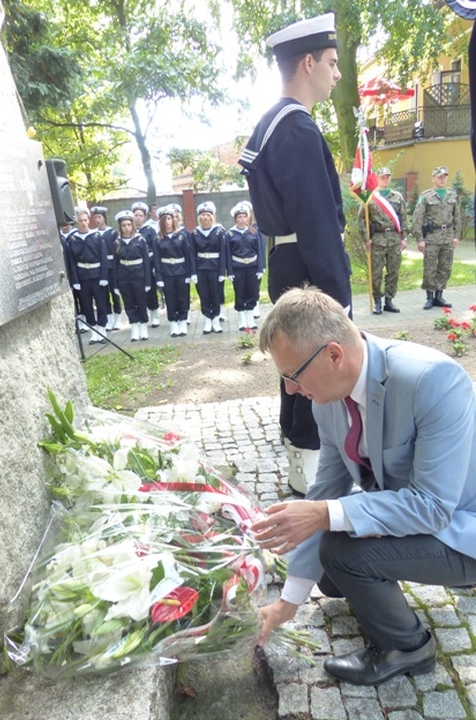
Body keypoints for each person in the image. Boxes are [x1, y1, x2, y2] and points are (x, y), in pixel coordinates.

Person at [252, 285, 476, 686]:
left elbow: (432, 506)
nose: (289, 389)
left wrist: (325, 516)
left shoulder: (433, 380)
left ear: (334, 355)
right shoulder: (327, 402)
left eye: (292, 375)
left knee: (341, 551)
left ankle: (406, 648)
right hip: (425, 515)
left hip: (463, 526)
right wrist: (287, 604)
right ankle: (371, 580)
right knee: (329, 571)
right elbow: (326, 491)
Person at [238, 13, 352, 495]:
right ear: (308, 62)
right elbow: (318, 223)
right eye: (332, 62)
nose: (337, 73)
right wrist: (340, 300)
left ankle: (298, 456)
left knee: (295, 363)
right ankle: (310, 471)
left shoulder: (273, 122)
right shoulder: (298, 130)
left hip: (286, 260)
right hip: (308, 263)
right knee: (315, 366)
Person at [358, 167, 407, 315]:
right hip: (377, 240)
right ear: (377, 179)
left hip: (394, 239)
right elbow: (361, 220)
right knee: (376, 273)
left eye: (387, 177)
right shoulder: (370, 197)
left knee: (393, 271)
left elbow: (403, 218)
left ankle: (389, 300)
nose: (385, 179)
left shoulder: (397, 197)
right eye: (382, 177)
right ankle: (377, 301)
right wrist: (366, 239)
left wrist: (404, 237)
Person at [412, 166, 460, 310]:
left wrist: (456, 236)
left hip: (448, 236)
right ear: (433, 179)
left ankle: (439, 295)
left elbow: (457, 216)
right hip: (432, 237)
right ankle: (430, 297)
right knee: (430, 267)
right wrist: (420, 239)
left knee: (445, 267)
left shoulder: (452, 194)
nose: (442, 179)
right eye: (439, 177)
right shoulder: (426, 196)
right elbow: (417, 218)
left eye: (444, 176)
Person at [64, 207, 109, 345]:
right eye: (80, 220)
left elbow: (103, 257)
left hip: (97, 275)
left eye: (85, 220)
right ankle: (93, 331)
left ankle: (102, 330)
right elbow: (72, 262)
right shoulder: (73, 239)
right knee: (86, 305)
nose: (83, 223)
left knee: (101, 303)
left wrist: (104, 277)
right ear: (76, 222)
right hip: (83, 277)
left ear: (89, 220)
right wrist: (75, 280)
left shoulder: (97, 237)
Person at [112, 210, 151, 342]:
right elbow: (115, 264)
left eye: (129, 224)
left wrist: (147, 282)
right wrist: (115, 284)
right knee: (129, 303)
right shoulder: (117, 242)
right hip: (124, 277)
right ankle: (134, 326)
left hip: (139, 276)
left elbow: (146, 262)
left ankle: (143, 326)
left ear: (132, 225)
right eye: (124, 225)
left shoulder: (140, 240)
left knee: (141, 302)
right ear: (120, 227)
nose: (126, 228)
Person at [153, 206, 192, 337]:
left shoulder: (181, 236)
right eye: (164, 220)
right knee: (170, 299)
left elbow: (188, 256)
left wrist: (189, 274)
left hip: (181, 271)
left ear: (173, 220)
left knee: (182, 297)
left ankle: (182, 321)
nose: (167, 222)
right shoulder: (158, 238)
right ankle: (173, 323)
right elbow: (157, 260)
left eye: (169, 218)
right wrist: (159, 277)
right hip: (167, 273)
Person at [189, 201, 227, 334]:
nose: (205, 217)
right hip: (201, 269)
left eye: (207, 215)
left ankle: (215, 320)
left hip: (215, 268)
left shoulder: (219, 231)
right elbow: (192, 253)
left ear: (212, 217)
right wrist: (193, 272)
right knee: (204, 295)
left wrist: (222, 271)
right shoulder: (195, 233)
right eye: (203, 215)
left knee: (215, 294)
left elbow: (223, 252)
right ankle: (207, 320)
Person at [226, 202, 265, 330]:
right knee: (240, 293)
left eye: (244, 216)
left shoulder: (253, 232)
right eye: (239, 217)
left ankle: (250, 319)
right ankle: (242, 320)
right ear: (235, 219)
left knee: (252, 292)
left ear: (248, 218)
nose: (242, 219)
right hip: (238, 268)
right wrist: (229, 271)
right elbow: (227, 254)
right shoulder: (230, 234)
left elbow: (259, 251)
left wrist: (260, 268)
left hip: (252, 267)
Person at [90, 205, 121, 330]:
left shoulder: (112, 232)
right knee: (103, 294)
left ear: (104, 218)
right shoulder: (93, 234)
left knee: (114, 292)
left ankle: (117, 317)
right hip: (100, 268)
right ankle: (108, 318)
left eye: (99, 217)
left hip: (112, 266)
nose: (97, 220)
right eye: (95, 217)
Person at [132, 201, 161, 327]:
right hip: (135, 266)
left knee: (151, 290)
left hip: (149, 264)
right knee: (137, 291)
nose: (138, 218)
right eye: (136, 215)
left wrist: (154, 266)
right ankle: (141, 315)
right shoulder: (129, 230)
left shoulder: (149, 230)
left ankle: (154, 314)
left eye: (140, 215)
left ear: (144, 217)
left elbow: (155, 248)